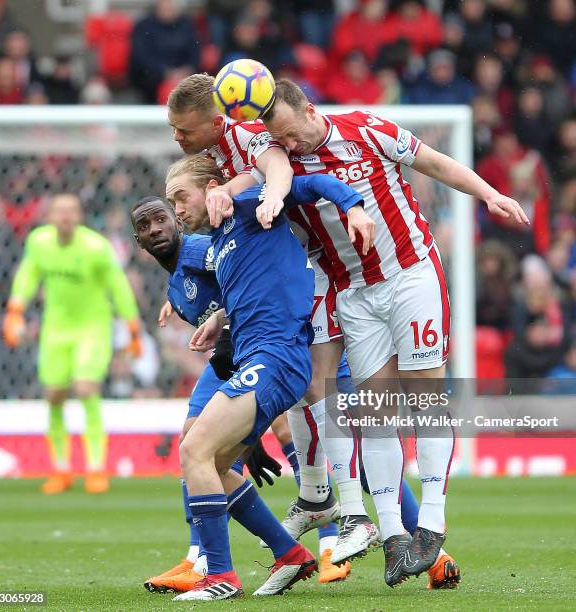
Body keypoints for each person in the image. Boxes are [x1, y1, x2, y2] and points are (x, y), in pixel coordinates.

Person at [207, 78, 527, 587]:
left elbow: (433, 162)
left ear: (310, 109)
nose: (290, 147)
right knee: (375, 411)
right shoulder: (279, 166)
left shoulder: (365, 128)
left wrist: (488, 193)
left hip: (410, 273)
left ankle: (433, 525)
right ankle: (394, 533)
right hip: (352, 293)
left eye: (292, 134)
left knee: (425, 397)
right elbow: (252, 191)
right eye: (280, 142)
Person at [167, 73, 378, 566]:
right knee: (206, 453)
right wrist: (217, 314)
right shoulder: (213, 243)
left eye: (179, 199)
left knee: (330, 435)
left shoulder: (248, 185)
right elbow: (233, 278)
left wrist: (341, 203)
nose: (173, 212)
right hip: (250, 350)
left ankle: (359, 531)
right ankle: (289, 550)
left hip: (291, 342)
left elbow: (289, 175)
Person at [2, 194, 142, 494]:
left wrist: (132, 326)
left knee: (85, 388)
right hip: (55, 329)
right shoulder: (39, 242)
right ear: (50, 215)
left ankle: (95, 468)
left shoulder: (95, 248)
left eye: (71, 211)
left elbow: (118, 285)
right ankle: (61, 469)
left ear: (79, 216)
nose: (65, 216)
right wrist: (15, 310)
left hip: (92, 327)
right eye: (60, 211)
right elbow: (28, 274)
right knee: (54, 395)